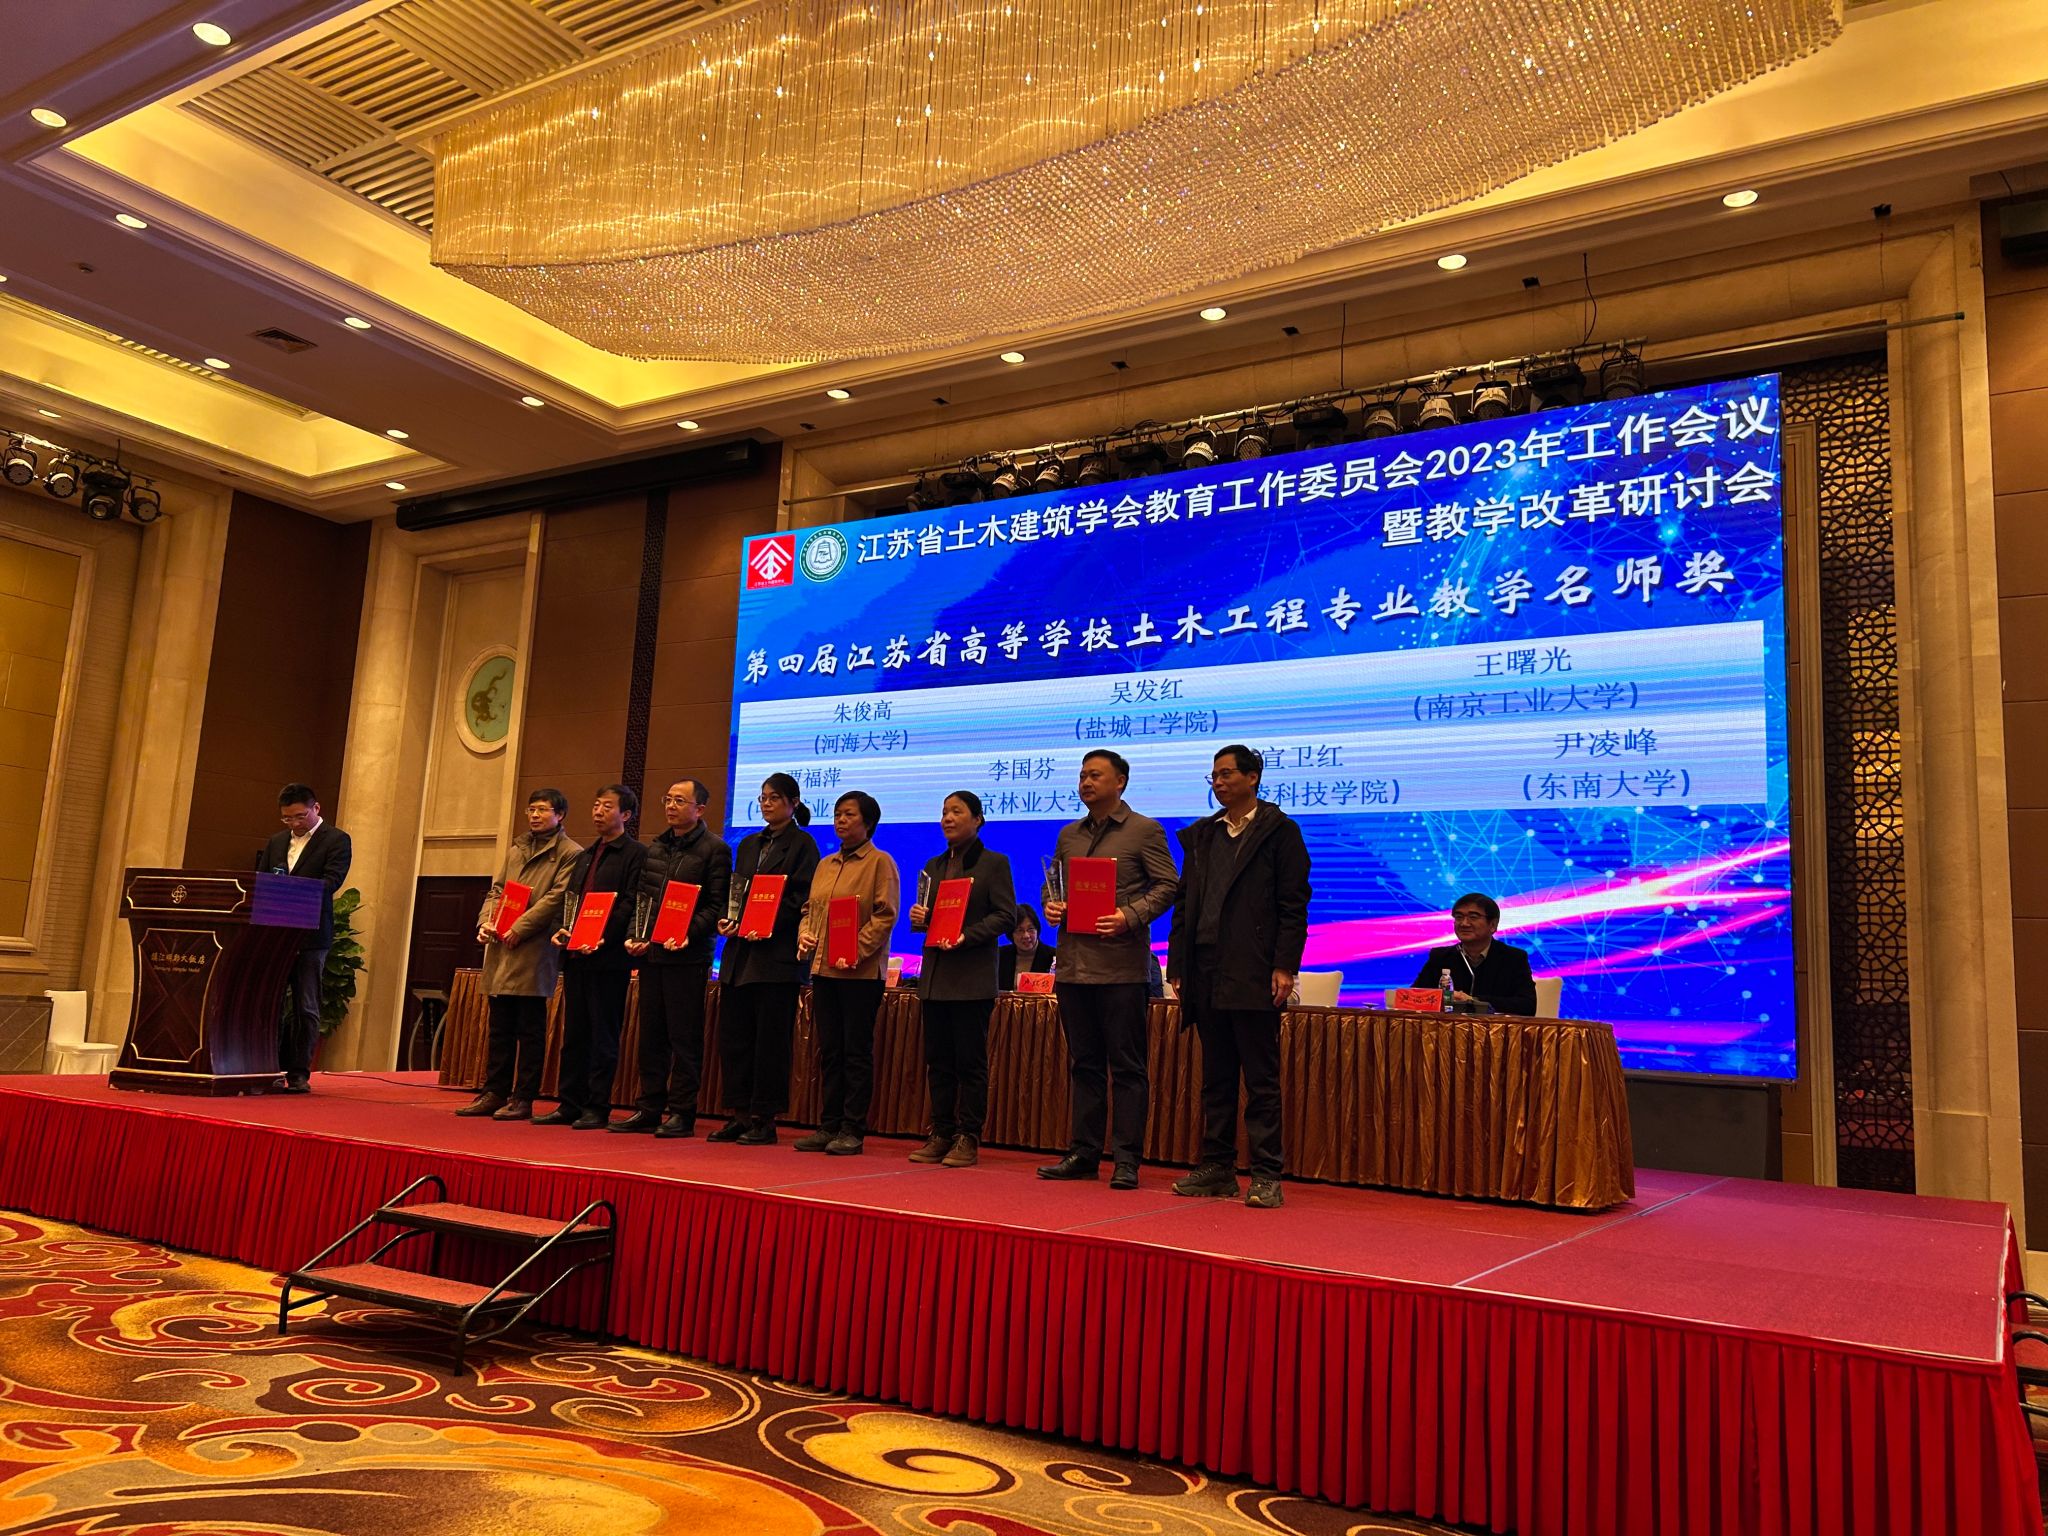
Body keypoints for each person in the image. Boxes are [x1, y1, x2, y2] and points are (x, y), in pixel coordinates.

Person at [1166, 746, 1312, 1209]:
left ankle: (1266, 1174)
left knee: (1261, 1079)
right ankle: (1218, 1167)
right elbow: (1184, 905)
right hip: (1205, 969)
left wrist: (1284, 965)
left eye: (1227, 774)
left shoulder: (1280, 831)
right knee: (1217, 1077)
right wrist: (1178, 965)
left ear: (1253, 777)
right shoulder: (1204, 834)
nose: (1218, 782)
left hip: (1253, 968)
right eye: (1213, 775)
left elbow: (1293, 905)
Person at [1037, 750, 1179, 1190]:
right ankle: (1083, 1153)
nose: (1086, 782)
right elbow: (1052, 885)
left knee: (1128, 1068)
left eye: (1095, 775)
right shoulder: (1069, 834)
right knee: (1085, 1065)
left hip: (1121, 969)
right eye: (1082, 775)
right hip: (1074, 968)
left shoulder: (1144, 830)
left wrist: (1129, 916)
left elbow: (1168, 885)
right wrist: (1051, 904)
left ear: (1120, 782)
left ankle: (1126, 1159)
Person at [613, 778, 731, 1139]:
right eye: (668, 799)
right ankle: (649, 1107)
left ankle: (682, 1112)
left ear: (700, 809)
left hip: (688, 957)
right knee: (651, 1036)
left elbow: (716, 905)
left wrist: (686, 932)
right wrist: (636, 934)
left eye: (680, 801)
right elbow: (642, 899)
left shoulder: (715, 849)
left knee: (684, 1038)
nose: (671, 806)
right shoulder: (656, 848)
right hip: (653, 955)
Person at [456, 788, 582, 1121]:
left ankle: (523, 1097)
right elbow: (497, 890)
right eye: (531, 810)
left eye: (542, 810)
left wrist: (520, 928)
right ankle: (494, 1091)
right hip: (501, 944)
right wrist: (486, 922)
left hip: (533, 948)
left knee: (530, 1028)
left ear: (560, 815)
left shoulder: (570, 853)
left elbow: (557, 897)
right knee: (499, 1028)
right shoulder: (516, 849)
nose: (535, 815)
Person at [907, 791, 1016, 1168]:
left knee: (970, 1062)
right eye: (944, 812)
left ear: (978, 820)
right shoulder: (933, 866)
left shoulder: (994, 863)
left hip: (971, 978)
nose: (948, 818)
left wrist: (967, 935)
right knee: (938, 1062)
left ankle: (968, 1135)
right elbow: (928, 921)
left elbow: (1006, 916)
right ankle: (941, 1131)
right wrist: (920, 919)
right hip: (936, 978)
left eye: (957, 811)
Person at [712, 772, 820, 1145]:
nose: (767, 803)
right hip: (740, 955)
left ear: (793, 802)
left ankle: (765, 1118)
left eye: (774, 797)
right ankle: (740, 1114)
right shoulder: (748, 844)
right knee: (735, 1039)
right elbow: (735, 892)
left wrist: (765, 920)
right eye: (762, 797)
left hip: (776, 959)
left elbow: (802, 899)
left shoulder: (803, 845)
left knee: (769, 1043)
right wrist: (729, 918)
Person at [534, 785, 646, 1129]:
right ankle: (570, 1103)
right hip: (577, 956)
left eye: (607, 806)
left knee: (603, 1035)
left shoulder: (635, 854)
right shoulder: (586, 854)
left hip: (608, 959)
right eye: (596, 805)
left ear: (626, 815)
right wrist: (560, 928)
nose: (598, 811)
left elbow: (629, 903)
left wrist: (601, 935)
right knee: (575, 1034)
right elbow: (570, 899)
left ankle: (597, 1106)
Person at [794, 790, 899, 1155]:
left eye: (849, 814)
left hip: (860, 974)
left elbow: (885, 915)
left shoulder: (880, 862)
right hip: (824, 969)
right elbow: (809, 910)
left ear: (868, 822)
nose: (840, 819)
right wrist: (805, 933)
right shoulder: (826, 864)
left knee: (855, 1052)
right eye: (838, 813)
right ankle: (829, 1125)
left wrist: (856, 950)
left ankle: (852, 1129)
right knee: (830, 1051)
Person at [260, 783, 352, 1094]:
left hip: (311, 935)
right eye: (287, 818)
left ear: (316, 808)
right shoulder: (276, 841)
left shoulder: (336, 840)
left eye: (300, 816)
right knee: (269, 1002)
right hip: (275, 935)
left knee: (305, 1005)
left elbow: (331, 881)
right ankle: (268, 1067)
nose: (295, 823)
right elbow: (262, 880)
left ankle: (298, 1073)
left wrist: (290, 891)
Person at [1412, 892, 1537, 1017]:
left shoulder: (1513, 958)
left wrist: (1474, 1001)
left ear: (1492, 925)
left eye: (1473, 917)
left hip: (1493, 1028)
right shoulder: (1440, 957)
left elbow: (1528, 1005)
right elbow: (1413, 998)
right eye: (1459, 917)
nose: (1464, 923)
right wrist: (1443, 1000)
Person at [997, 903, 1054, 990]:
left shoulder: (1053, 957)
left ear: (1037, 930)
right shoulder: (1000, 956)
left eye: (1030, 929)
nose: (1026, 936)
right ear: (1011, 934)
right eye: (1020, 930)